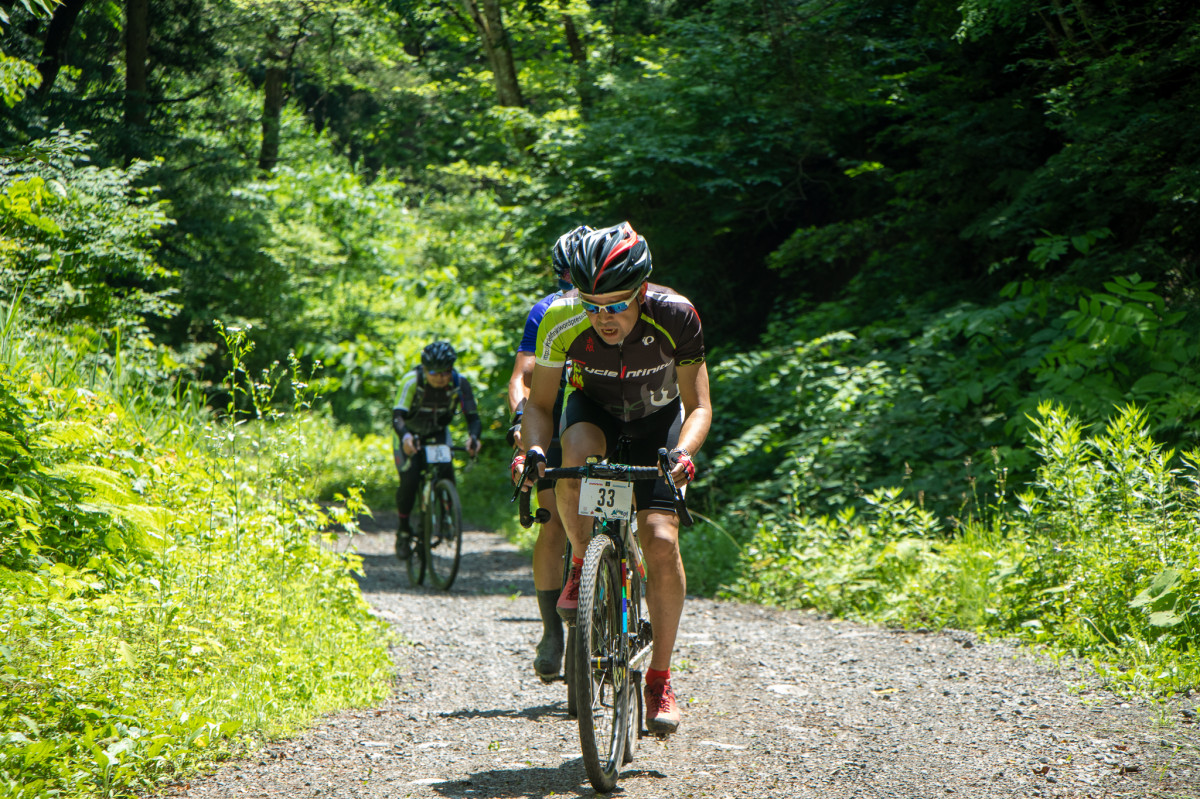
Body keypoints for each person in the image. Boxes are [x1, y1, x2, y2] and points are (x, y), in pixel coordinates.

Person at [519, 221, 711, 736]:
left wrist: (684, 455)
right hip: (594, 416)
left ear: (642, 291)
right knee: (573, 460)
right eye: (592, 304)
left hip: (659, 423)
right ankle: (583, 564)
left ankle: (659, 678)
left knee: (661, 539)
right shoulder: (561, 319)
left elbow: (698, 407)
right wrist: (533, 450)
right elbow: (540, 405)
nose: (602, 318)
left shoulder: (677, 315)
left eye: (616, 305)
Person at [506, 224, 591, 682]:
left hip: (601, 418)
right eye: (567, 277)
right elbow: (522, 377)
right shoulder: (546, 312)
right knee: (552, 521)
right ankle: (551, 632)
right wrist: (523, 422)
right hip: (552, 423)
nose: (571, 287)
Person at [392, 341, 482, 561]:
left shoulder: (459, 383)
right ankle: (403, 530)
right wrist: (405, 438)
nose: (441, 377)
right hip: (409, 433)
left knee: (446, 471)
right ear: (424, 368)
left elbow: (473, 417)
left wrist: (474, 438)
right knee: (410, 480)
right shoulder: (412, 381)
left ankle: (445, 516)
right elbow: (397, 416)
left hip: (438, 431)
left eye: (446, 372)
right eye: (434, 372)